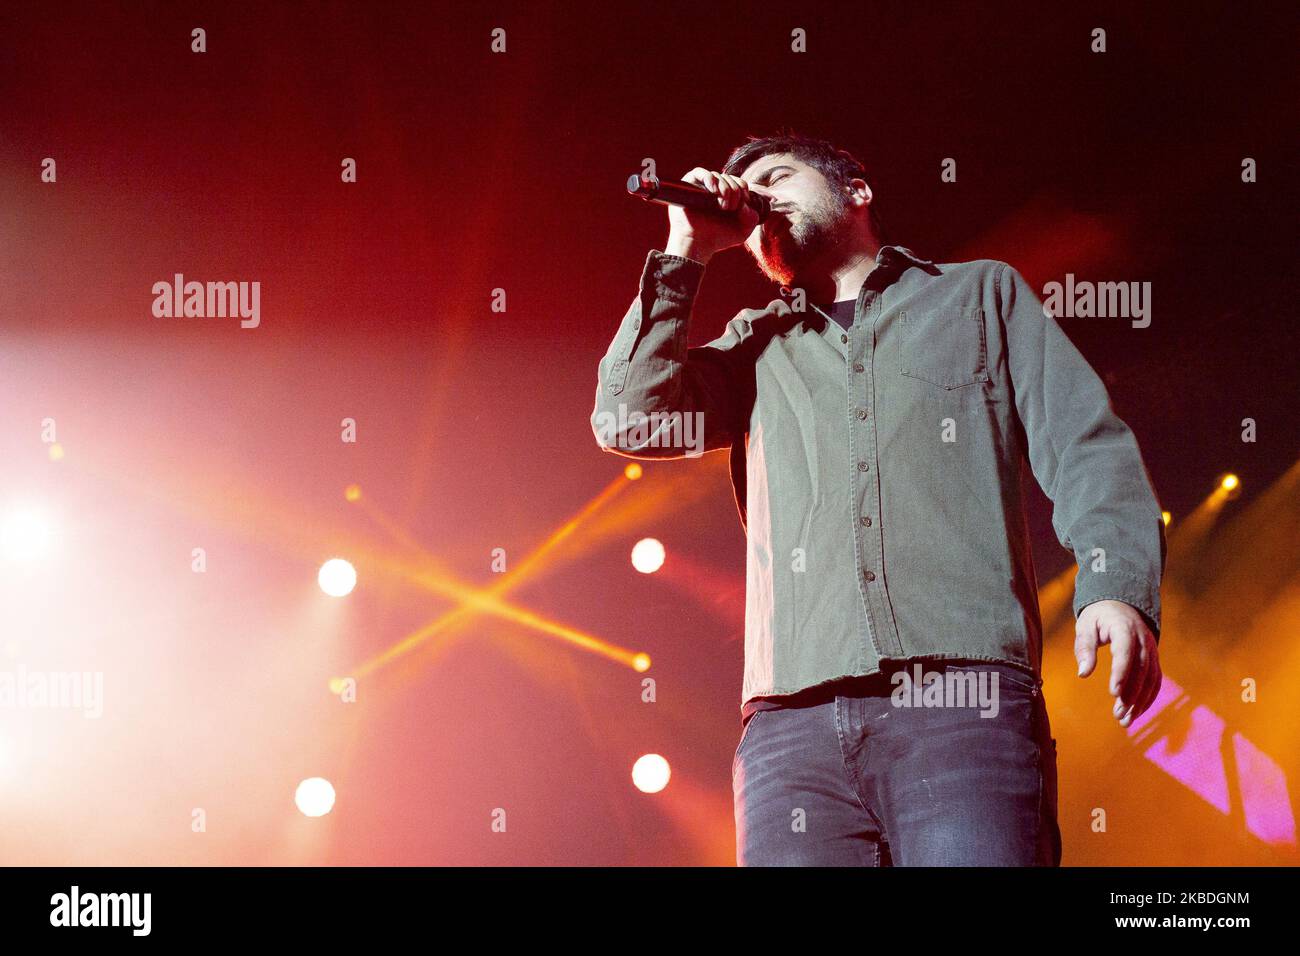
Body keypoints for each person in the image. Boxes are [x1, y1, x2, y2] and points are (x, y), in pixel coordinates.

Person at [590, 131, 1166, 866]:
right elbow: (629, 416)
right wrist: (688, 250)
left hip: (961, 702)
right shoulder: (754, 343)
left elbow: (1084, 441)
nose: (758, 196)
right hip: (787, 729)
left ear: (856, 192)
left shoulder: (979, 295)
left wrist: (1114, 584)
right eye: (746, 191)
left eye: (777, 176)